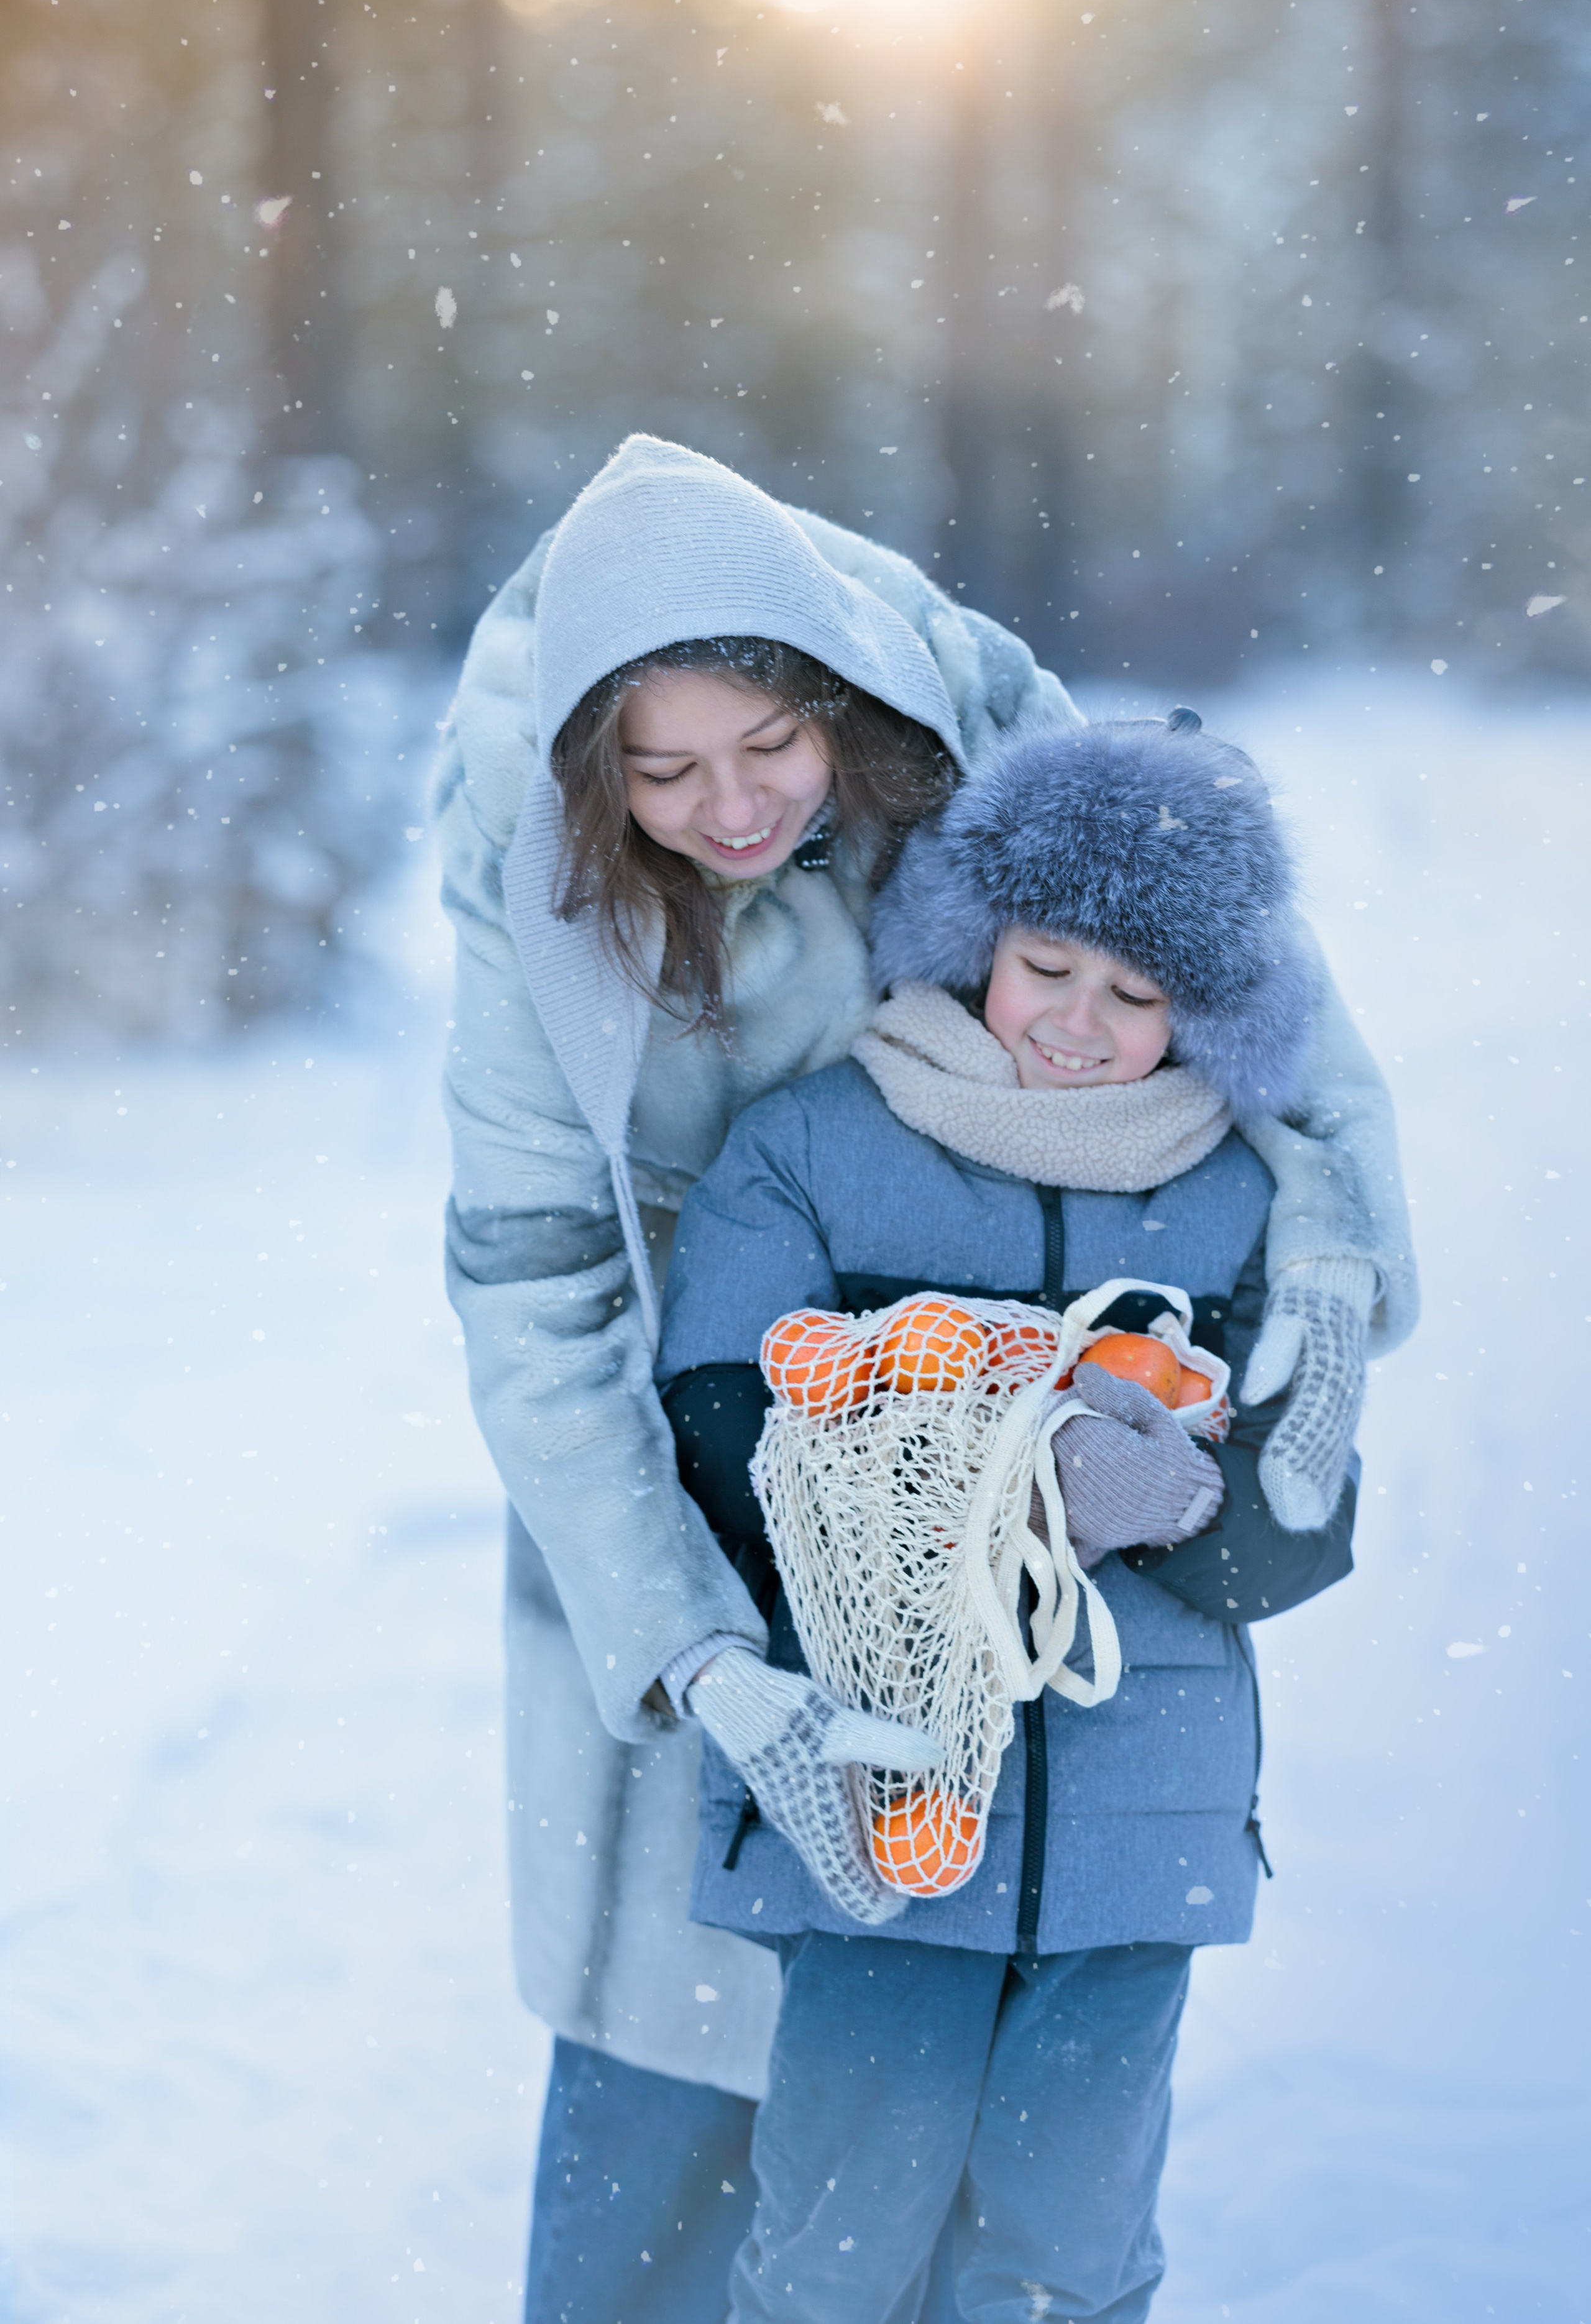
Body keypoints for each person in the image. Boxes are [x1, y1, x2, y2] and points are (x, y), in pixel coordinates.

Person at [432, 434, 1417, 2322]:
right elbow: (538, 1302)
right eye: (663, 771)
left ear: (841, 704)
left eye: (770, 750)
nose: (728, 808)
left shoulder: (983, 739)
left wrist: (1335, 1277)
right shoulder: (531, 893)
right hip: (697, 1476)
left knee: (1023, 2163)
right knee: (702, 2072)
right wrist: (704, 1656)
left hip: (1050, 1519)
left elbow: (1267, 1035)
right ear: (590, 775)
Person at [657, 710, 1375, 2320]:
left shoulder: (1247, 1195)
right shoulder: (815, 1148)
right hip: (882, 1799)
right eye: (1050, 964)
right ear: (976, 934)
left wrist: (1184, 1503)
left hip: (1139, 1831)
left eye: (1140, 996)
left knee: (1065, 2263)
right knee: (836, 2258)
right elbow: (720, 1436)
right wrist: (986, 1482)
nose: (1081, 1023)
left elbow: (1304, 1529)